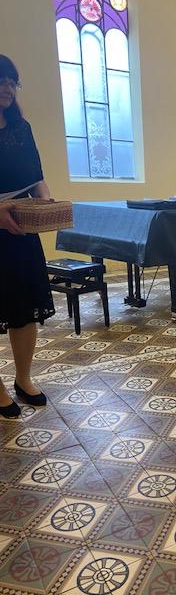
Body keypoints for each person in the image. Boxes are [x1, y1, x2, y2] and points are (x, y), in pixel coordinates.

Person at [0, 55, 55, 418]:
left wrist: (46, 201)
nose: (7, 88)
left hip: (21, 232)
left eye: (12, 82)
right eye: (1, 81)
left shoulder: (21, 128)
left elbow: (37, 177)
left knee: (24, 310)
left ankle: (23, 378)